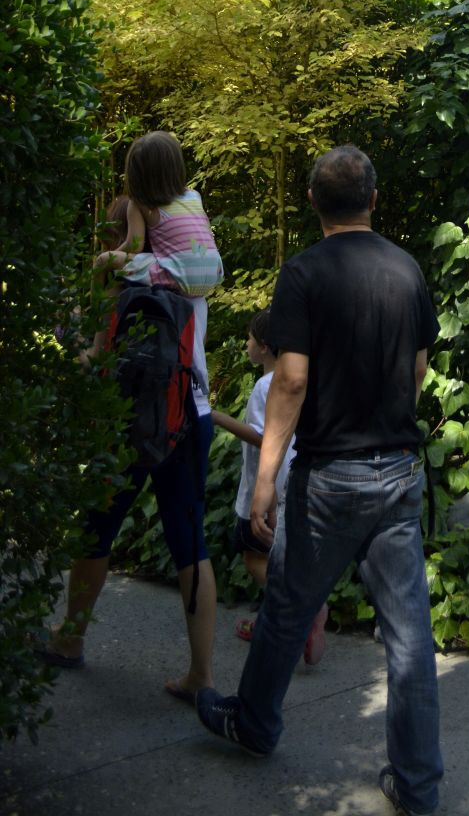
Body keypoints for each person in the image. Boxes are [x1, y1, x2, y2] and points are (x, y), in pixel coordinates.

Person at [196, 145, 443, 816]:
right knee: (410, 639)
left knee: (286, 608)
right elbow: (418, 367)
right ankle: (419, 787)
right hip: (398, 470)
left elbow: (292, 380)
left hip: (329, 475)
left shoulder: (303, 273)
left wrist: (265, 480)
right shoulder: (407, 269)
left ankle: (254, 724)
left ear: (312, 202)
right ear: (374, 199)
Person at [41, 133, 222, 707]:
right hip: (188, 411)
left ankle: (69, 639)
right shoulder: (189, 263)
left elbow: (98, 358)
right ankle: (201, 674)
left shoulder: (121, 274)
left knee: (97, 528)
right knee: (191, 543)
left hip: (126, 420)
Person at [210, 311, 326, 663]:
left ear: (263, 347)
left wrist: (217, 418)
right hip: (294, 482)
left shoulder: (266, 386)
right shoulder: (301, 379)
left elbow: (264, 437)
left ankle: (300, 610)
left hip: (267, 487)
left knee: (254, 557)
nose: (245, 344)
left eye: (249, 338)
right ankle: (283, 615)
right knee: (281, 554)